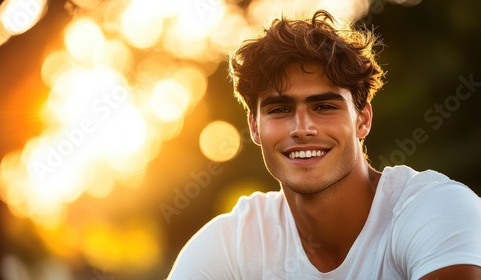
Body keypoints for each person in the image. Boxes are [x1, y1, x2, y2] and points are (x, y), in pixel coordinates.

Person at [167, 10, 481, 279]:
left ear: (363, 120)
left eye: (324, 107)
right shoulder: (233, 242)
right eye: (280, 109)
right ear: (254, 127)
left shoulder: (434, 209)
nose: (302, 129)